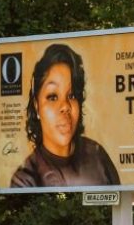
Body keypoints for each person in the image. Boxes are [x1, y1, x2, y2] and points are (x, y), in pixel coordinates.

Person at [10, 43, 120, 188]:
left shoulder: (97, 155)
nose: (65, 106)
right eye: (52, 97)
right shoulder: (25, 179)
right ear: (37, 107)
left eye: (72, 95)